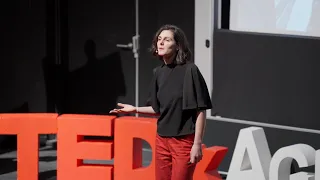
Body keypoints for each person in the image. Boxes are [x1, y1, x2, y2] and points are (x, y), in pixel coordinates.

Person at [110, 24, 212, 180]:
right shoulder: (159, 73)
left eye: (167, 39)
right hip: (161, 141)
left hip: (183, 142)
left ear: (178, 45)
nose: (161, 42)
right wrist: (135, 109)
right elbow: (157, 109)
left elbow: (200, 110)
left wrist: (197, 144)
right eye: (159, 39)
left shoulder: (190, 70)